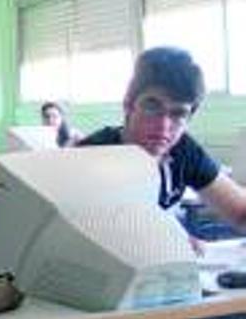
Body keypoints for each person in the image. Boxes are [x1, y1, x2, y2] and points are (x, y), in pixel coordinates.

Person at [78, 47, 246, 230]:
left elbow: (240, 210)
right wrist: (170, 237)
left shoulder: (183, 150)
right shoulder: (89, 155)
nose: (164, 126)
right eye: (152, 107)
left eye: (178, 113)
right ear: (128, 105)